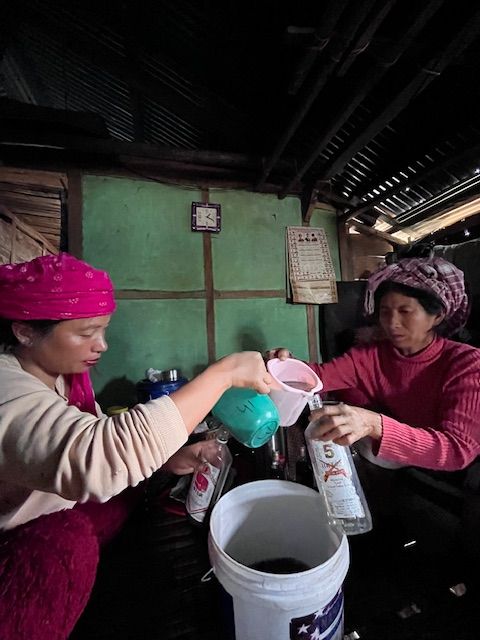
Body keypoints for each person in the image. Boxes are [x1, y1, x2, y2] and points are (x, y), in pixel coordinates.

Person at [0, 252, 272, 640]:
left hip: (57, 509)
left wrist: (167, 460)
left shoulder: (61, 379)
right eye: (86, 333)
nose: (102, 345)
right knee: (66, 544)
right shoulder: (7, 388)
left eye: (103, 330)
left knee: (129, 495)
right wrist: (222, 375)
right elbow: (96, 456)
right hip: (17, 544)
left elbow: (99, 442)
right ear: (25, 332)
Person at [268, 256, 480, 473]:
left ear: (437, 316)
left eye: (405, 311)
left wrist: (373, 423)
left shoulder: (466, 363)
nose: (392, 323)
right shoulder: (370, 355)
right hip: (384, 460)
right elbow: (319, 378)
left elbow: (457, 450)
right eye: (385, 312)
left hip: (430, 469)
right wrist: (283, 365)